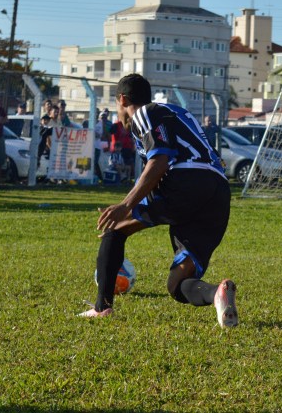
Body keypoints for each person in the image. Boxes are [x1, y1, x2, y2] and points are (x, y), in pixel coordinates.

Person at [80, 73, 238, 329]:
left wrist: (126, 205)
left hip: (184, 180)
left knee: (114, 229)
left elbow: (160, 160)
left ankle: (101, 307)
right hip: (218, 191)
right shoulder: (178, 112)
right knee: (177, 284)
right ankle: (216, 293)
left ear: (122, 99)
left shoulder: (144, 113)